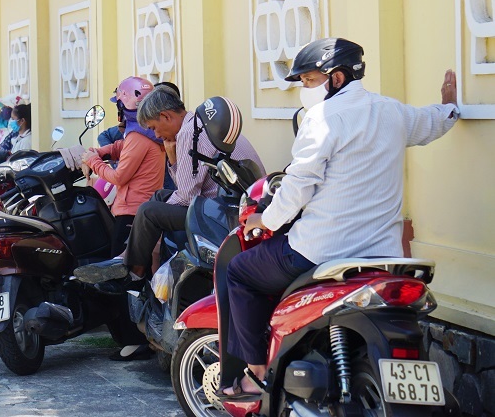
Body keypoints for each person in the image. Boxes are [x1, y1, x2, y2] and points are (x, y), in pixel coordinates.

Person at [218, 38, 459, 399]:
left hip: (319, 251)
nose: (304, 90)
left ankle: (256, 373)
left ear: (338, 78)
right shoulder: (391, 111)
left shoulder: (321, 119)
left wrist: (265, 221)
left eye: (310, 81)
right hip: (382, 255)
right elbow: (431, 123)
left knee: (240, 272)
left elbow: (298, 186)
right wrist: (451, 107)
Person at [74, 86, 263, 288]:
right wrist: (171, 159)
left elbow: (186, 197)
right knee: (159, 197)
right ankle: (126, 258)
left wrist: (158, 211)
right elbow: (188, 186)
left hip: (225, 213)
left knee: (148, 211)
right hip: (230, 202)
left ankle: (133, 273)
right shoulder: (198, 123)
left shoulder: (189, 133)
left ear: (166, 116)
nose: (156, 134)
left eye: (154, 127)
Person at [82, 77, 165, 256]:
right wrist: (101, 151)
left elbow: (119, 177)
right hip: (142, 207)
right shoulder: (148, 132)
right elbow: (123, 146)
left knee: (121, 270)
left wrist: (93, 162)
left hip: (131, 212)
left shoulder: (139, 137)